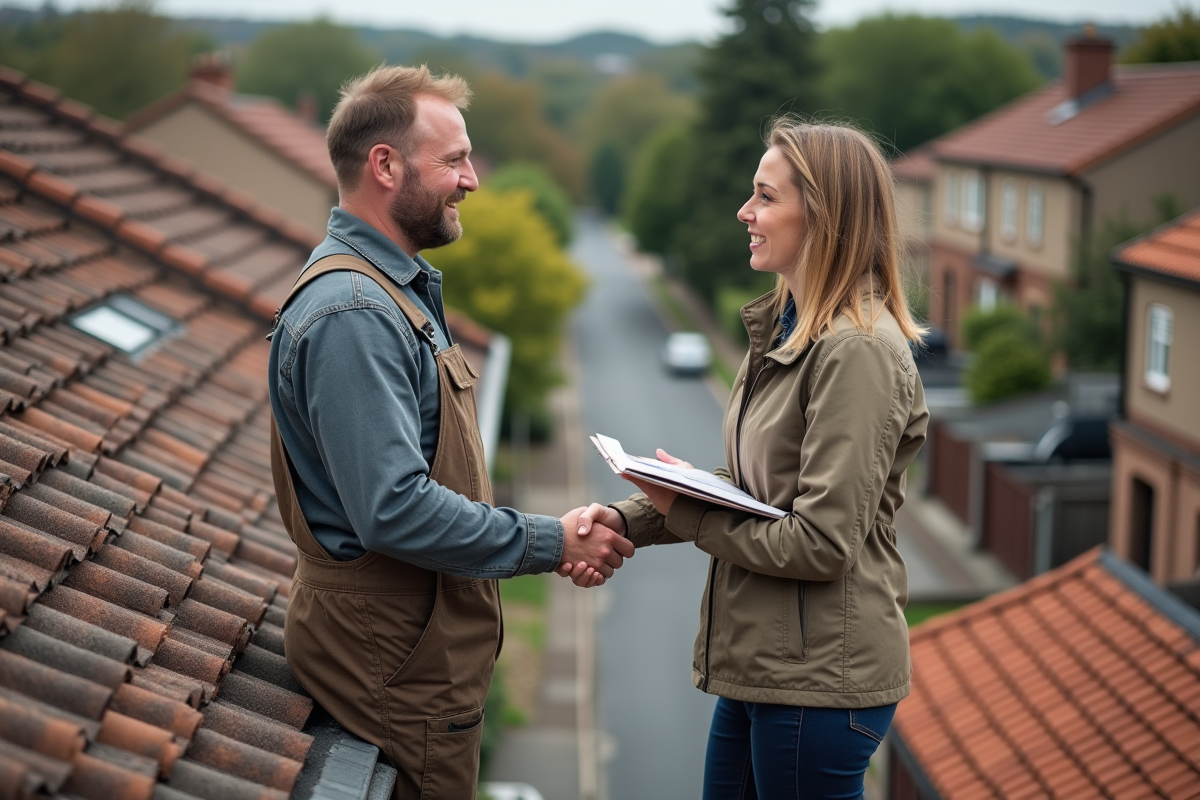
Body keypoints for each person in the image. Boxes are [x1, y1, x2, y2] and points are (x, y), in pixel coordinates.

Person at [266, 65, 632, 800]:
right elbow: (393, 507)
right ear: (385, 165)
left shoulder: (385, 294)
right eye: (455, 160)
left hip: (407, 660)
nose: (471, 179)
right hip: (395, 670)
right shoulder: (356, 316)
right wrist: (554, 540)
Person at [570, 119, 930, 799]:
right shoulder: (787, 329)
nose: (745, 212)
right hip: (767, 667)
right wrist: (625, 517)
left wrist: (688, 516)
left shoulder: (857, 351)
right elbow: (748, 483)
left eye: (764, 197)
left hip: (820, 682)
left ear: (821, 216)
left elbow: (822, 542)